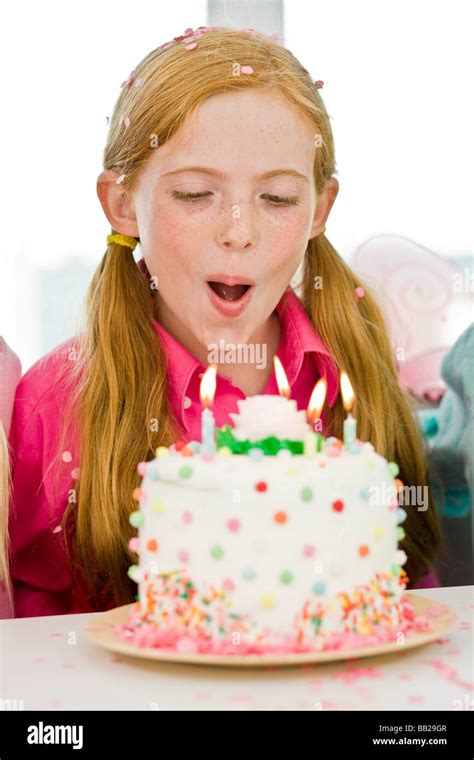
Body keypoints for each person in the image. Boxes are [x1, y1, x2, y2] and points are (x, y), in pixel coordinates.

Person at [7, 26, 442, 618]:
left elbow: (411, 590)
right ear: (122, 203)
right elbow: (33, 635)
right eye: (194, 194)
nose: (239, 231)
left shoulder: (354, 366)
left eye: (278, 199)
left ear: (321, 208)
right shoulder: (57, 402)